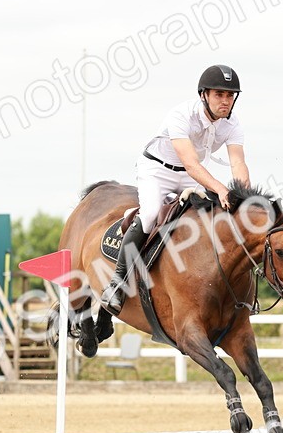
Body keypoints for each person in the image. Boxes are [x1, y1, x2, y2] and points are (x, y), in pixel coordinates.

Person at [101, 64, 250, 315]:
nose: (225, 101)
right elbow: (191, 164)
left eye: (230, 95)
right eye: (219, 94)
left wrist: (246, 198)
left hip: (190, 175)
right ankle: (117, 282)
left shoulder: (232, 124)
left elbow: (238, 163)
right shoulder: (181, 115)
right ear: (204, 95)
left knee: (207, 218)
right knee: (150, 215)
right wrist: (221, 189)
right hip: (158, 170)